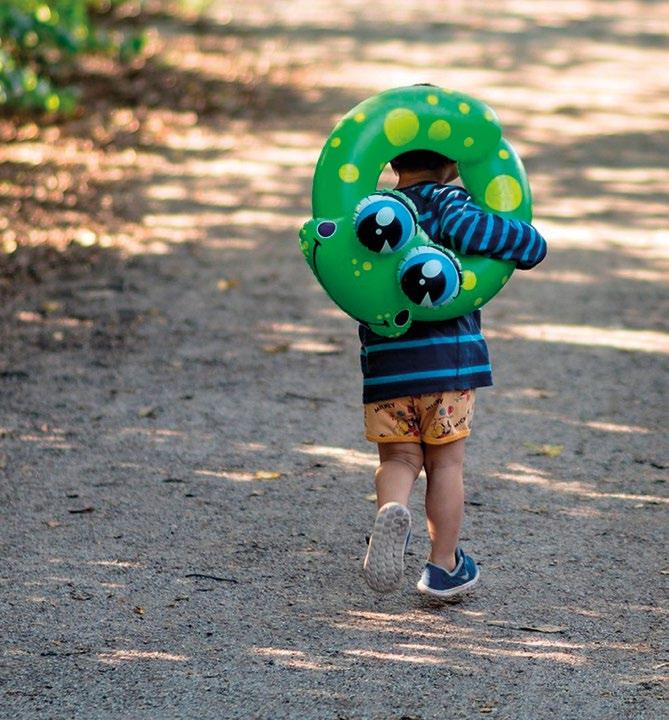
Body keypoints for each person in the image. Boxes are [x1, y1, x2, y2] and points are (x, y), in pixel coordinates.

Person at [361, 148, 547, 598]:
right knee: (445, 464)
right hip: (447, 364)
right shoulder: (451, 203)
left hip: (387, 365)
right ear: (454, 163)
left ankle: (392, 512)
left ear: (392, 163)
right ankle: (443, 566)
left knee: (400, 459)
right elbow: (526, 248)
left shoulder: (372, 214)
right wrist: (529, 236)